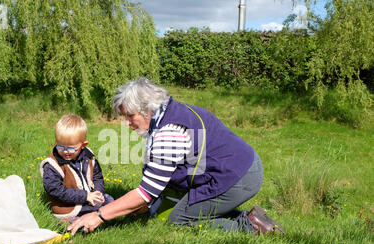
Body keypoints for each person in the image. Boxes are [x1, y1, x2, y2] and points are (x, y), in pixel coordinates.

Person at [68, 78, 283, 235]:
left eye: (130, 116)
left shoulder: (170, 131)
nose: (126, 123)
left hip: (238, 177)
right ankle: (253, 217)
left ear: (147, 109)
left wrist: (99, 215)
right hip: (239, 166)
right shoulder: (170, 110)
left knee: (178, 218)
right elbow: (165, 172)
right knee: (178, 206)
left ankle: (249, 227)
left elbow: (146, 192)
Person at [40, 114, 113, 225]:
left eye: (71, 148)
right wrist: (85, 196)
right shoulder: (52, 165)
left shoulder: (88, 157)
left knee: (110, 200)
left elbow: (97, 176)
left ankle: (95, 216)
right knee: (109, 210)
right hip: (68, 206)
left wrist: (98, 192)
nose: (65, 151)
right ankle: (73, 221)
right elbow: (56, 191)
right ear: (56, 142)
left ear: (83, 145)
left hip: (88, 198)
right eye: (60, 146)